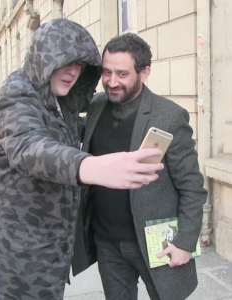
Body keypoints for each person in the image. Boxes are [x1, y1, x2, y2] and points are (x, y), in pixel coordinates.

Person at [0, 19, 164, 300]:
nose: (73, 71)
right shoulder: (18, 94)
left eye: (80, 65)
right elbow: (30, 147)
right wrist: (89, 166)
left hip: (38, 249)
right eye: (65, 62)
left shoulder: (57, 99)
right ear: (45, 60)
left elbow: (66, 132)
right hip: (7, 254)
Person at [72, 33, 208, 300]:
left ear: (144, 72)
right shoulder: (98, 106)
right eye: (106, 72)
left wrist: (184, 242)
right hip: (107, 241)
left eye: (122, 74)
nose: (112, 82)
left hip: (156, 244)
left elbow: (192, 188)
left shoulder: (168, 116)